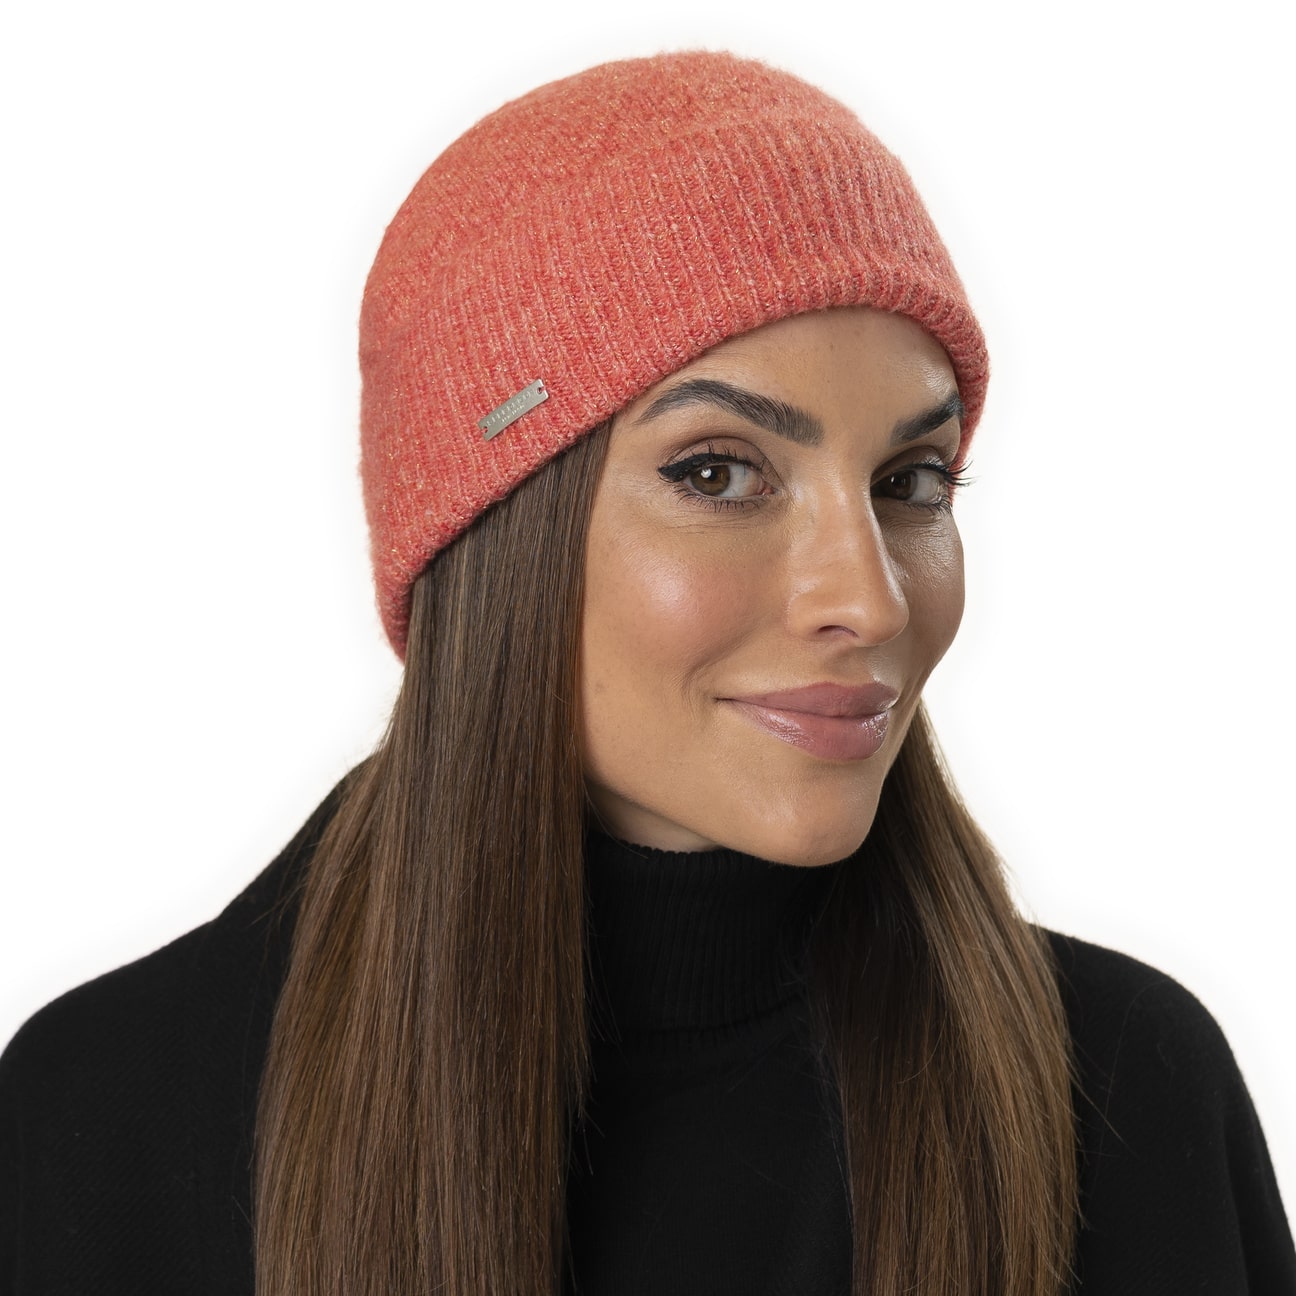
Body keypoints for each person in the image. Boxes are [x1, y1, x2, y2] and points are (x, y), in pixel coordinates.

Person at [0, 49, 1292, 1296]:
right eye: (718, 472)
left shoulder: (1124, 1095)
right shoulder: (112, 1123)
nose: (868, 598)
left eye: (911, 482)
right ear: (492, 533)